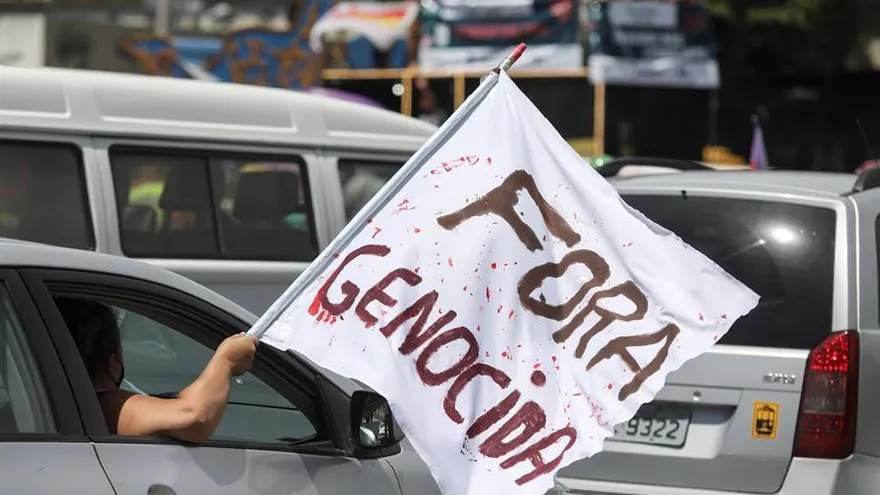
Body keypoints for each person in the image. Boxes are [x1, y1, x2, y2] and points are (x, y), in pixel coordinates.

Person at [54, 297, 258, 443]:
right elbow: (194, 417)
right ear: (112, 361)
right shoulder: (102, 406)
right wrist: (226, 361)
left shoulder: (49, 403)